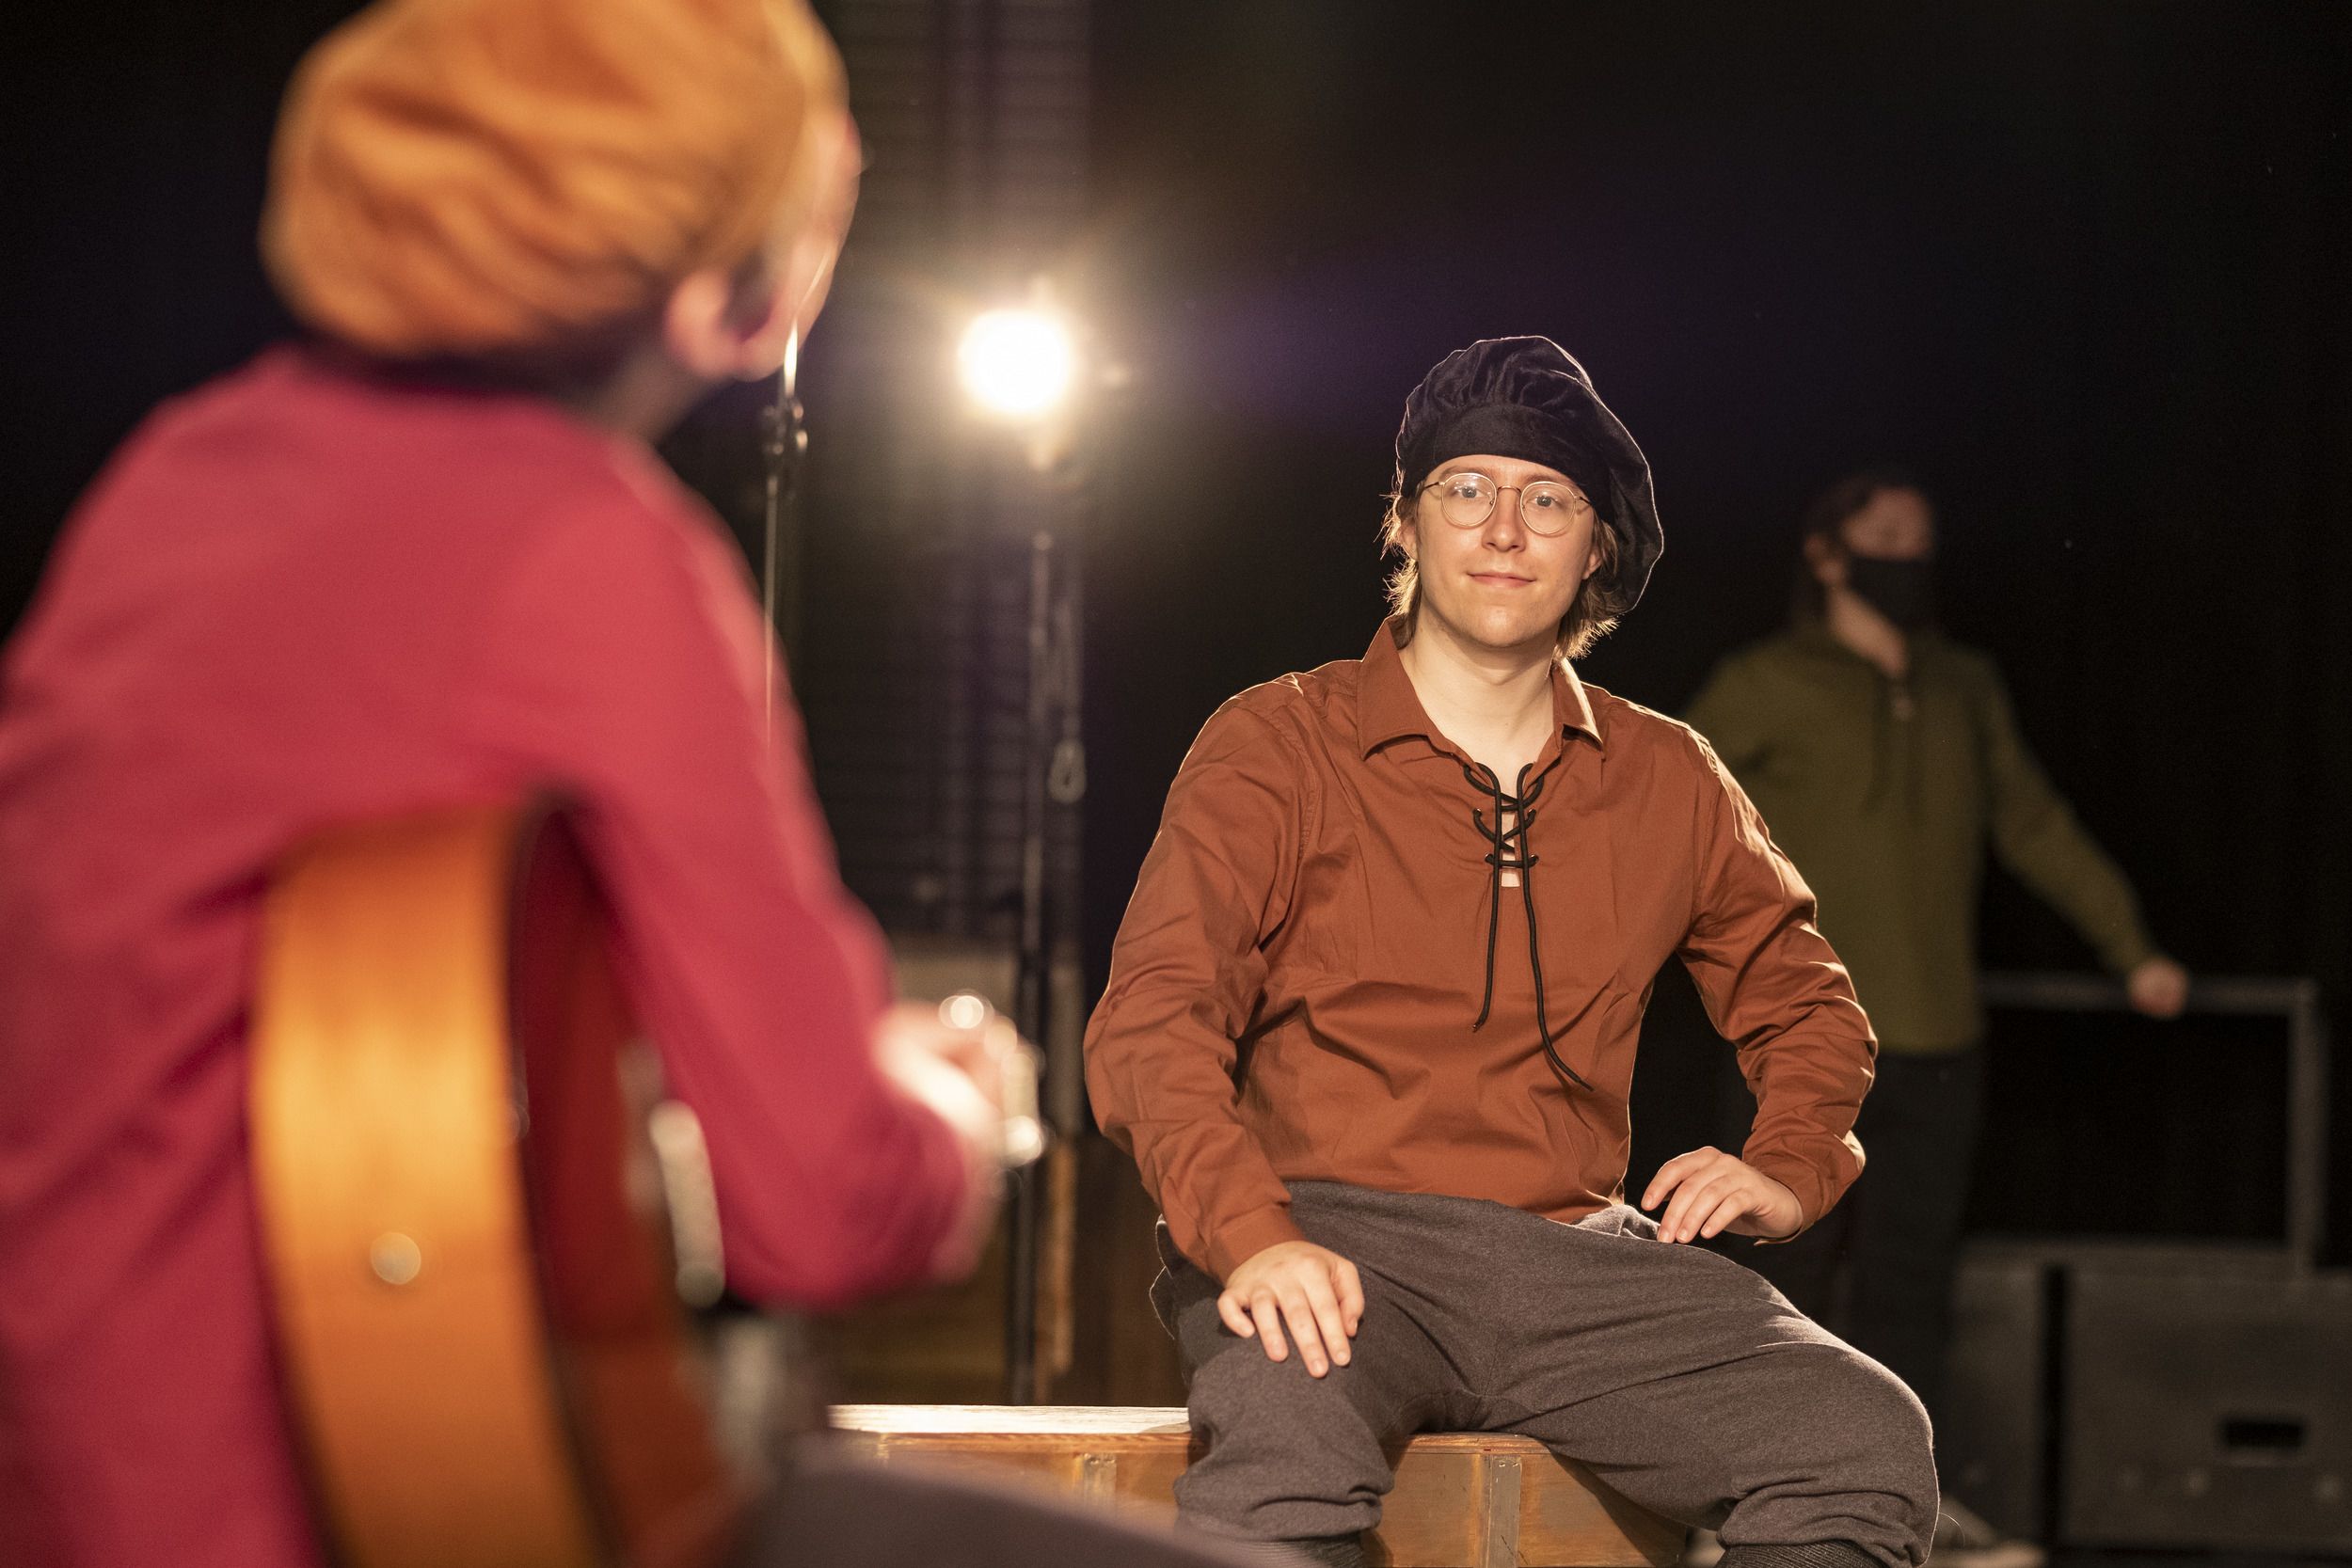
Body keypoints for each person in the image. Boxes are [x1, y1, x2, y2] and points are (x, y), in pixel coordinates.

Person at [0, 4, 1252, 1567]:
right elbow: (825, 1201)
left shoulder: (166, 490)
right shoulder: (591, 551)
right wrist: (959, 1095)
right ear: (733, 290)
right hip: (396, 1509)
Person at [1085, 336, 1939, 1568]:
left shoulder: (1667, 774)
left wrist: (1790, 1161)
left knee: (1861, 1437)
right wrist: (1251, 1231)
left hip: (1575, 1266)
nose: (1503, 527)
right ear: (1408, 525)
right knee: (1284, 1458)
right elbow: (1155, 1015)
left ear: (1594, 548)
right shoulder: (1277, 742)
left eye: (1547, 499)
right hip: (1328, 1242)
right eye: (1466, 490)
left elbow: (1805, 996)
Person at [1686, 469, 2188, 1565]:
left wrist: (2131, 945)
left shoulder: (1964, 685)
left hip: (1938, 1033)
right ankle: (1749, 1511)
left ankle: (1908, 1514)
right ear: (1827, 553)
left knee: (1915, 1282)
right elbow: (1668, 817)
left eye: (1922, 537)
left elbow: (2031, 821)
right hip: (1795, 1042)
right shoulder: (1766, 680)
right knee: (1780, 1280)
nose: (1907, 553)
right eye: (1883, 535)